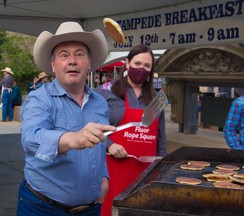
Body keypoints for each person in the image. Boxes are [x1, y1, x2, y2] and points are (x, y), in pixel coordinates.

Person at [17, 21, 116, 216]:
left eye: (79, 54)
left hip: (91, 209)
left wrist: (104, 177)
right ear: (54, 65)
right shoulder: (39, 99)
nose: (72, 60)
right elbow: (30, 139)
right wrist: (71, 138)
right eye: (64, 55)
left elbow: (99, 145)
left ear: (89, 63)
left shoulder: (100, 103)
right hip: (42, 208)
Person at [95, 44, 167, 216]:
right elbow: (91, 126)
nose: (141, 69)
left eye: (147, 66)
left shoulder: (157, 98)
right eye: (137, 63)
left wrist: (162, 168)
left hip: (146, 174)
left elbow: (161, 140)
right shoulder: (106, 92)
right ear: (127, 63)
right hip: (113, 171)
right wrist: (109, 144)